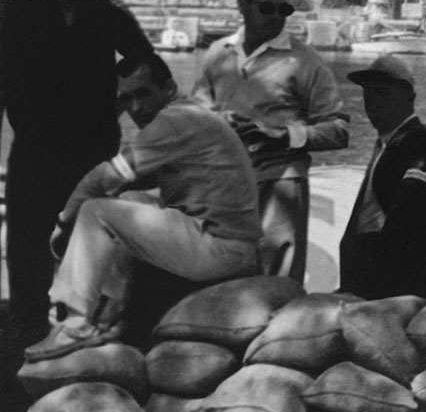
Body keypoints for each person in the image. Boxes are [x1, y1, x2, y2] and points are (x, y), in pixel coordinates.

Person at [26, 54, 260, 358]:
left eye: (143, 94)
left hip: (222, 247)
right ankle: (111, 314)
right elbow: (128, 182)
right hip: (226, 242)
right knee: (126, 202)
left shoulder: (175, 121)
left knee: (96, 210)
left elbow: (102, 178)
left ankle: (76, 325)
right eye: (126, 98)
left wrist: (63, 223)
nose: (136, 107)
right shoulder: (190, 114)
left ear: (169, 88)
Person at [0, 0, 161, 351]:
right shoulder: (19, 13)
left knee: (85, 238)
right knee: (27, 241)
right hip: (33, 146)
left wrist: (122, 102)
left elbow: (148, 65)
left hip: (93, 147)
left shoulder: (110, 12)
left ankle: (77, 327)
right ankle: (26, 328)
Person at [194, 0, 349, 282]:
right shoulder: (217, 53)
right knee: (220, 284)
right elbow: (195, 116)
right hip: (226, 185)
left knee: (276, 287)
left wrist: (281, 135)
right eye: (267, 7)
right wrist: (217, 121)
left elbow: (339, 129)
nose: (277, 15)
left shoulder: (305, 61)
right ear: (242, 6)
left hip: (281, 183)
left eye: (284, 8)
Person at [337, 53, 426, 301]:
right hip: (378, 279)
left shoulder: (419, 141)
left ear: (408, 96)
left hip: (406, 284)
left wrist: (375, 268)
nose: (372, 102)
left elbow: (406, 209)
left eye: (382, 93)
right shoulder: (386, 143)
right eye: (367, 94)